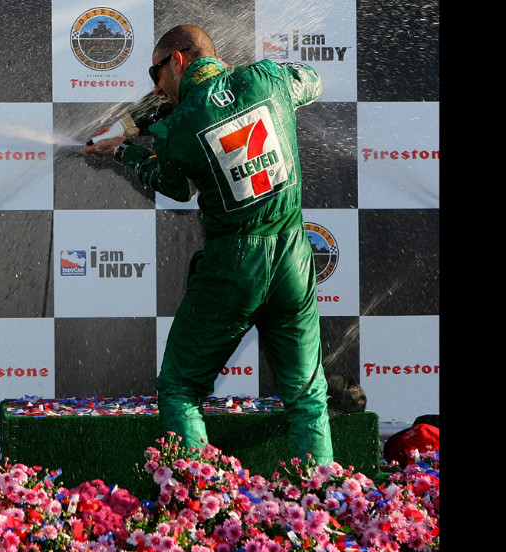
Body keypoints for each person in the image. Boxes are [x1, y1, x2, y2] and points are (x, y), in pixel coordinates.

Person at [85, 25, 333, 464]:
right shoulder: (267, 79)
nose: (156, 88)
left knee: (181, 388)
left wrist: (123, 151)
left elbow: (176, 188)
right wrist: (258, 80)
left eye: (155, 73)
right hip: (294, 256)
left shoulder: (177, 128)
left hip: (232, 265)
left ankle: (198, 506)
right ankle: (324, 503)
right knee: (307, 395)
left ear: (177, 60)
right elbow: (311, 79)